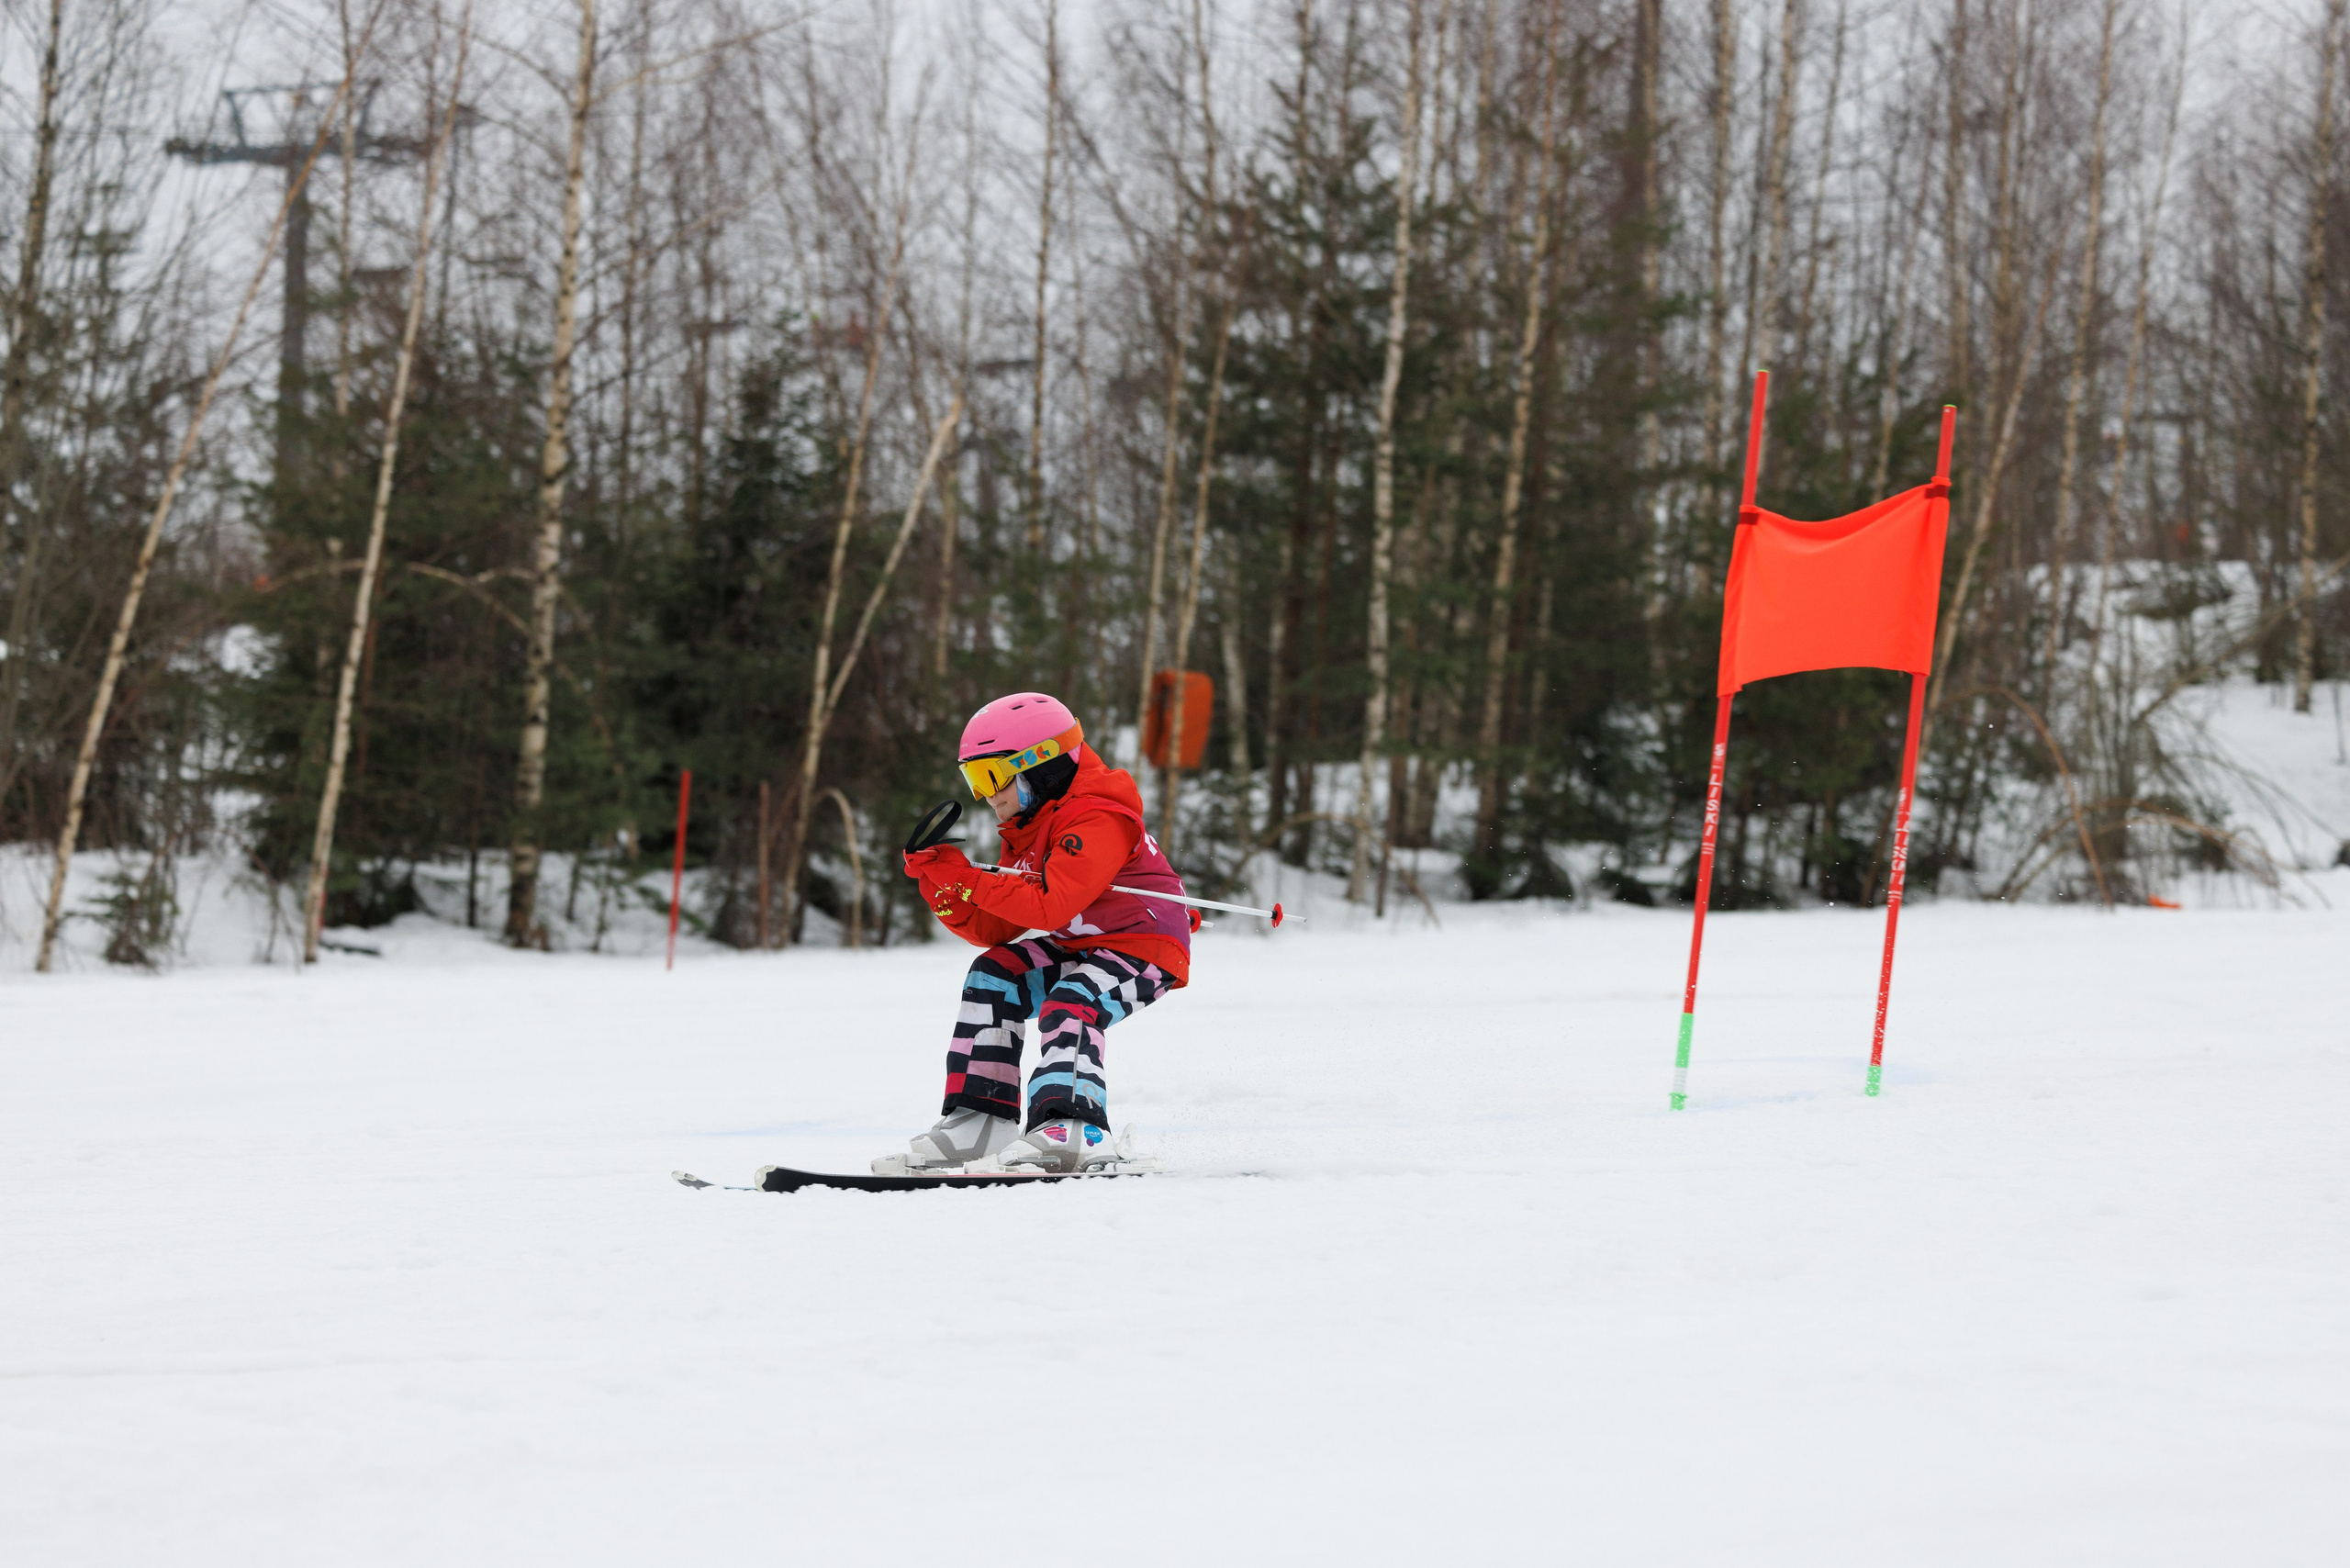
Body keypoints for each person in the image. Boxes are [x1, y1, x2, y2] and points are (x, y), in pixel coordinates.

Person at [882, 691, 1192, 1174]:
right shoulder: (1027, 827)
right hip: (1077, 944)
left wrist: (968, 880)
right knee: (994, 975)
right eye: (973, 779)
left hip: (1143, 946)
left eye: (992, 776)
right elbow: (995, 927)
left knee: (1072, 1001)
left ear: (1042, 765)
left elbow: (1050, 906)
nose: (987, 796)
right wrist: (941, 884)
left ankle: (1074, 1127)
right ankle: (982, 1119)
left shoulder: (1098, 815)